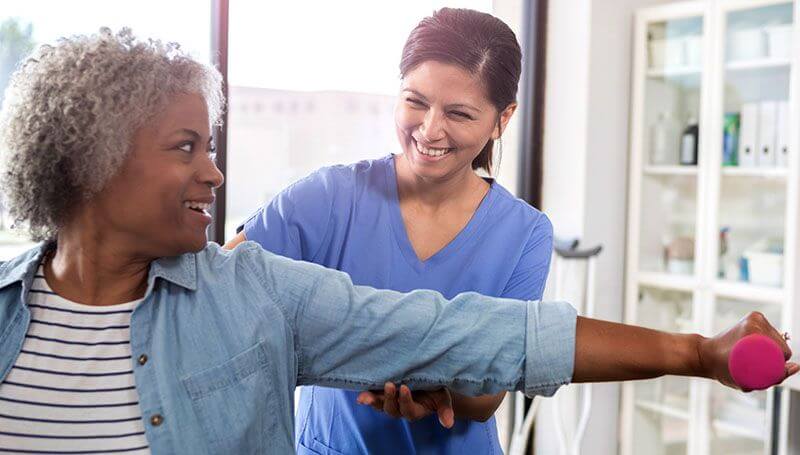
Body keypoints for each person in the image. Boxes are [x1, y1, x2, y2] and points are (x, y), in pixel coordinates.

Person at [0, 28, 794, 455]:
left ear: (500, 122)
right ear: (91, 160)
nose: (215, 172)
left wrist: (696, 351)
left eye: (461, 113)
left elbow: (490, 339)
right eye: (186, 148)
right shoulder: (314, 213)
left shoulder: (255, 297)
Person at [224, 8, 548, 454]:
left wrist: (438, 395)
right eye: (416, 102)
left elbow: (489, 396)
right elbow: (217, 289)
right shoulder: (328, 197)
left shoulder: (525, 234)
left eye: (459, 113)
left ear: (502, 119)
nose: (430, 130)